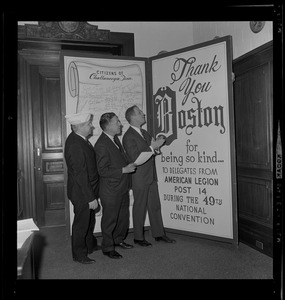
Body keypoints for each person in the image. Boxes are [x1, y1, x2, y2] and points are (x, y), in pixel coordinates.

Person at [123, 105, 176, 247]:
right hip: (139, 177)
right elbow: (135, 158)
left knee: (155, 205)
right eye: (140, 113)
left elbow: (151, 150)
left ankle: (159, 234)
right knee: (139, 207)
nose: (143, 114)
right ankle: (138, 237)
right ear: (133, 117)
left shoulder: (144, 133)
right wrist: (153, 147)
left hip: (151, 175)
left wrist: (156, 146)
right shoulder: (128, 136)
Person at [94, 112, 136, 259]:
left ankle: (118, 240)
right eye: (117, 122)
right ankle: (107, 247)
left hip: (122, 187)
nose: (120, 124)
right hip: (110, 190)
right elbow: (102, 170)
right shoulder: (101, 144)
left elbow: (118, 160)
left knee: (123, 218)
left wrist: (128, 165)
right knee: (110, 220)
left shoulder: (114, 139)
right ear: (108, 125)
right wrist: (123, 170)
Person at [64, 112, 100, 264]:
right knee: (82, 223)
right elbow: (80, 174)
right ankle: (79, 255)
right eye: (88, 124)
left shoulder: (80, 140)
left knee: (89, 220)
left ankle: (89, 245)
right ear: (77, 127)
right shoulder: (75, 144)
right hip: (82, 192)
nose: (92, 126)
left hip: (86, 190)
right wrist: (90, 197)